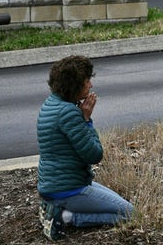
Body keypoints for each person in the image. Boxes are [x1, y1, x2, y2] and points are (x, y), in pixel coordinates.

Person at [36, 55, 134, 241]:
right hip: (68, 189)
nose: (90, 85)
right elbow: (94, 154)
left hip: (54, 185)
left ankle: (53, 206)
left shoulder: (51, 103)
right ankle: (66, 217)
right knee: (130, 213)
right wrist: (87, 120)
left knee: (123, 204)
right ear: (74, 86)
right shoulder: (69, 112)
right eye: (86, 81)